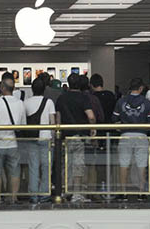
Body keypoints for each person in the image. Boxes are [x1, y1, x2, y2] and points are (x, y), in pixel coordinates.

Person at [56, 73, 96, 203]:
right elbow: (90, 116)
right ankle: (77, 193)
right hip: (79, 136)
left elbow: (58, 118)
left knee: (65, 165)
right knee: (78, 165)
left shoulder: (61, 98)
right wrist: (93, 128)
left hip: (64, 136)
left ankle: (64, 191)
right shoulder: (84, 98)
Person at [112, 78, 150, 194]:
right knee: (142, 164)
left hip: (125, 134)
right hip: (142, 135)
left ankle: (123, 192)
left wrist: (120, 127)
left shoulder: (121, 101)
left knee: (124, 163)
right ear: (141, 88)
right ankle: (142, 192)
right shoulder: (147, 103)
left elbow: (114, 119)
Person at [0, 76, 26, 203]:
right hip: (12, 142)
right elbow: (23, 124)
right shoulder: (20, 103)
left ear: (2, 88)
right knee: (15, 172)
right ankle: (14, 197)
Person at [23, 78, 56, 204]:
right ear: (44, 89)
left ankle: (34, 195)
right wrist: (53, 138)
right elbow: (52, 122)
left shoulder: (26, 102)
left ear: (32, 89)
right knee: (46, 167)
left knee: (33, 167)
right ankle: (44, 194)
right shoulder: (49, 102)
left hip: (31, 138)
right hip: (46, 137)